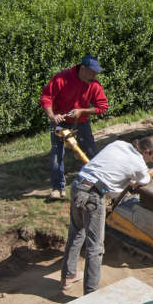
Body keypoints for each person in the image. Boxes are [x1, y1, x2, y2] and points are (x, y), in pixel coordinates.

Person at [61, 136, 153, 294]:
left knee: (76, 232)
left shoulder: (119, 144)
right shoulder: (140, 164)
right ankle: (91, 293)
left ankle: (68, 275)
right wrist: (151, 172)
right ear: (147, 152)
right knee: (95, 247)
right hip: (94, 195)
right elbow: (141, 181)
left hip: (78, 184)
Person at [40, 56, 109, 199]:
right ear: (82, 69)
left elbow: (103, 107)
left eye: (96, 73)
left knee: (90, 152)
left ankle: (96, 185)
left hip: (82, 122)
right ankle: (57, 188)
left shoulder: (94, 85)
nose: (94, 76)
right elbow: (46, 97)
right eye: (92, 72)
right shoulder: (62, 78)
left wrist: (82, 111)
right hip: (60, 122)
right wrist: (53, 116)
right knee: (56, 155)